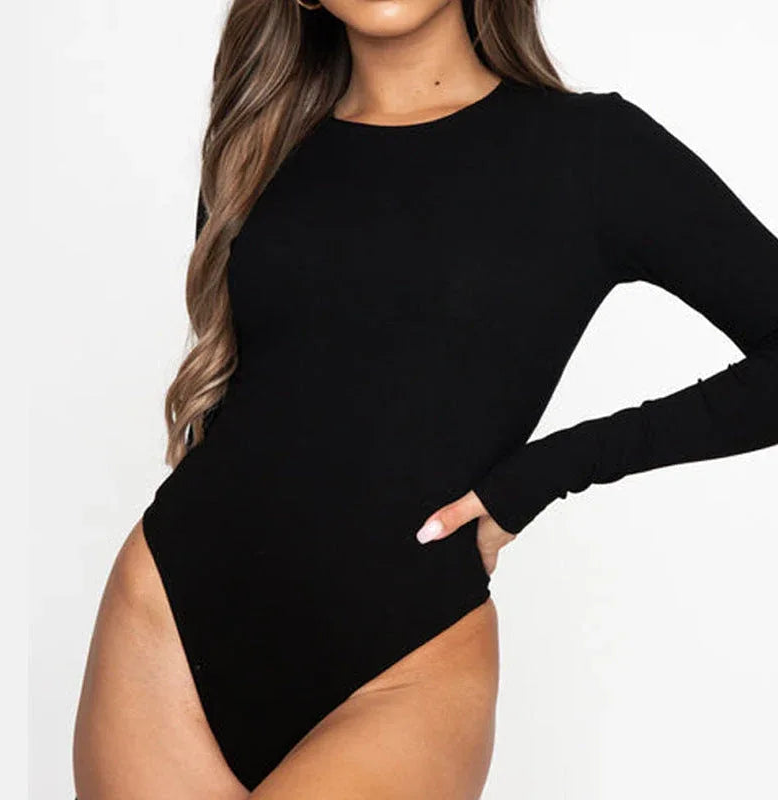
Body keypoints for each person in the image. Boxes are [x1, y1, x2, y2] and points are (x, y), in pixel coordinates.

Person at [72, 1, 778, 797]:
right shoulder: (258, 143)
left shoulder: (590, 152)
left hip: (405, 658)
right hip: (170, 619)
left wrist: (541, 475)